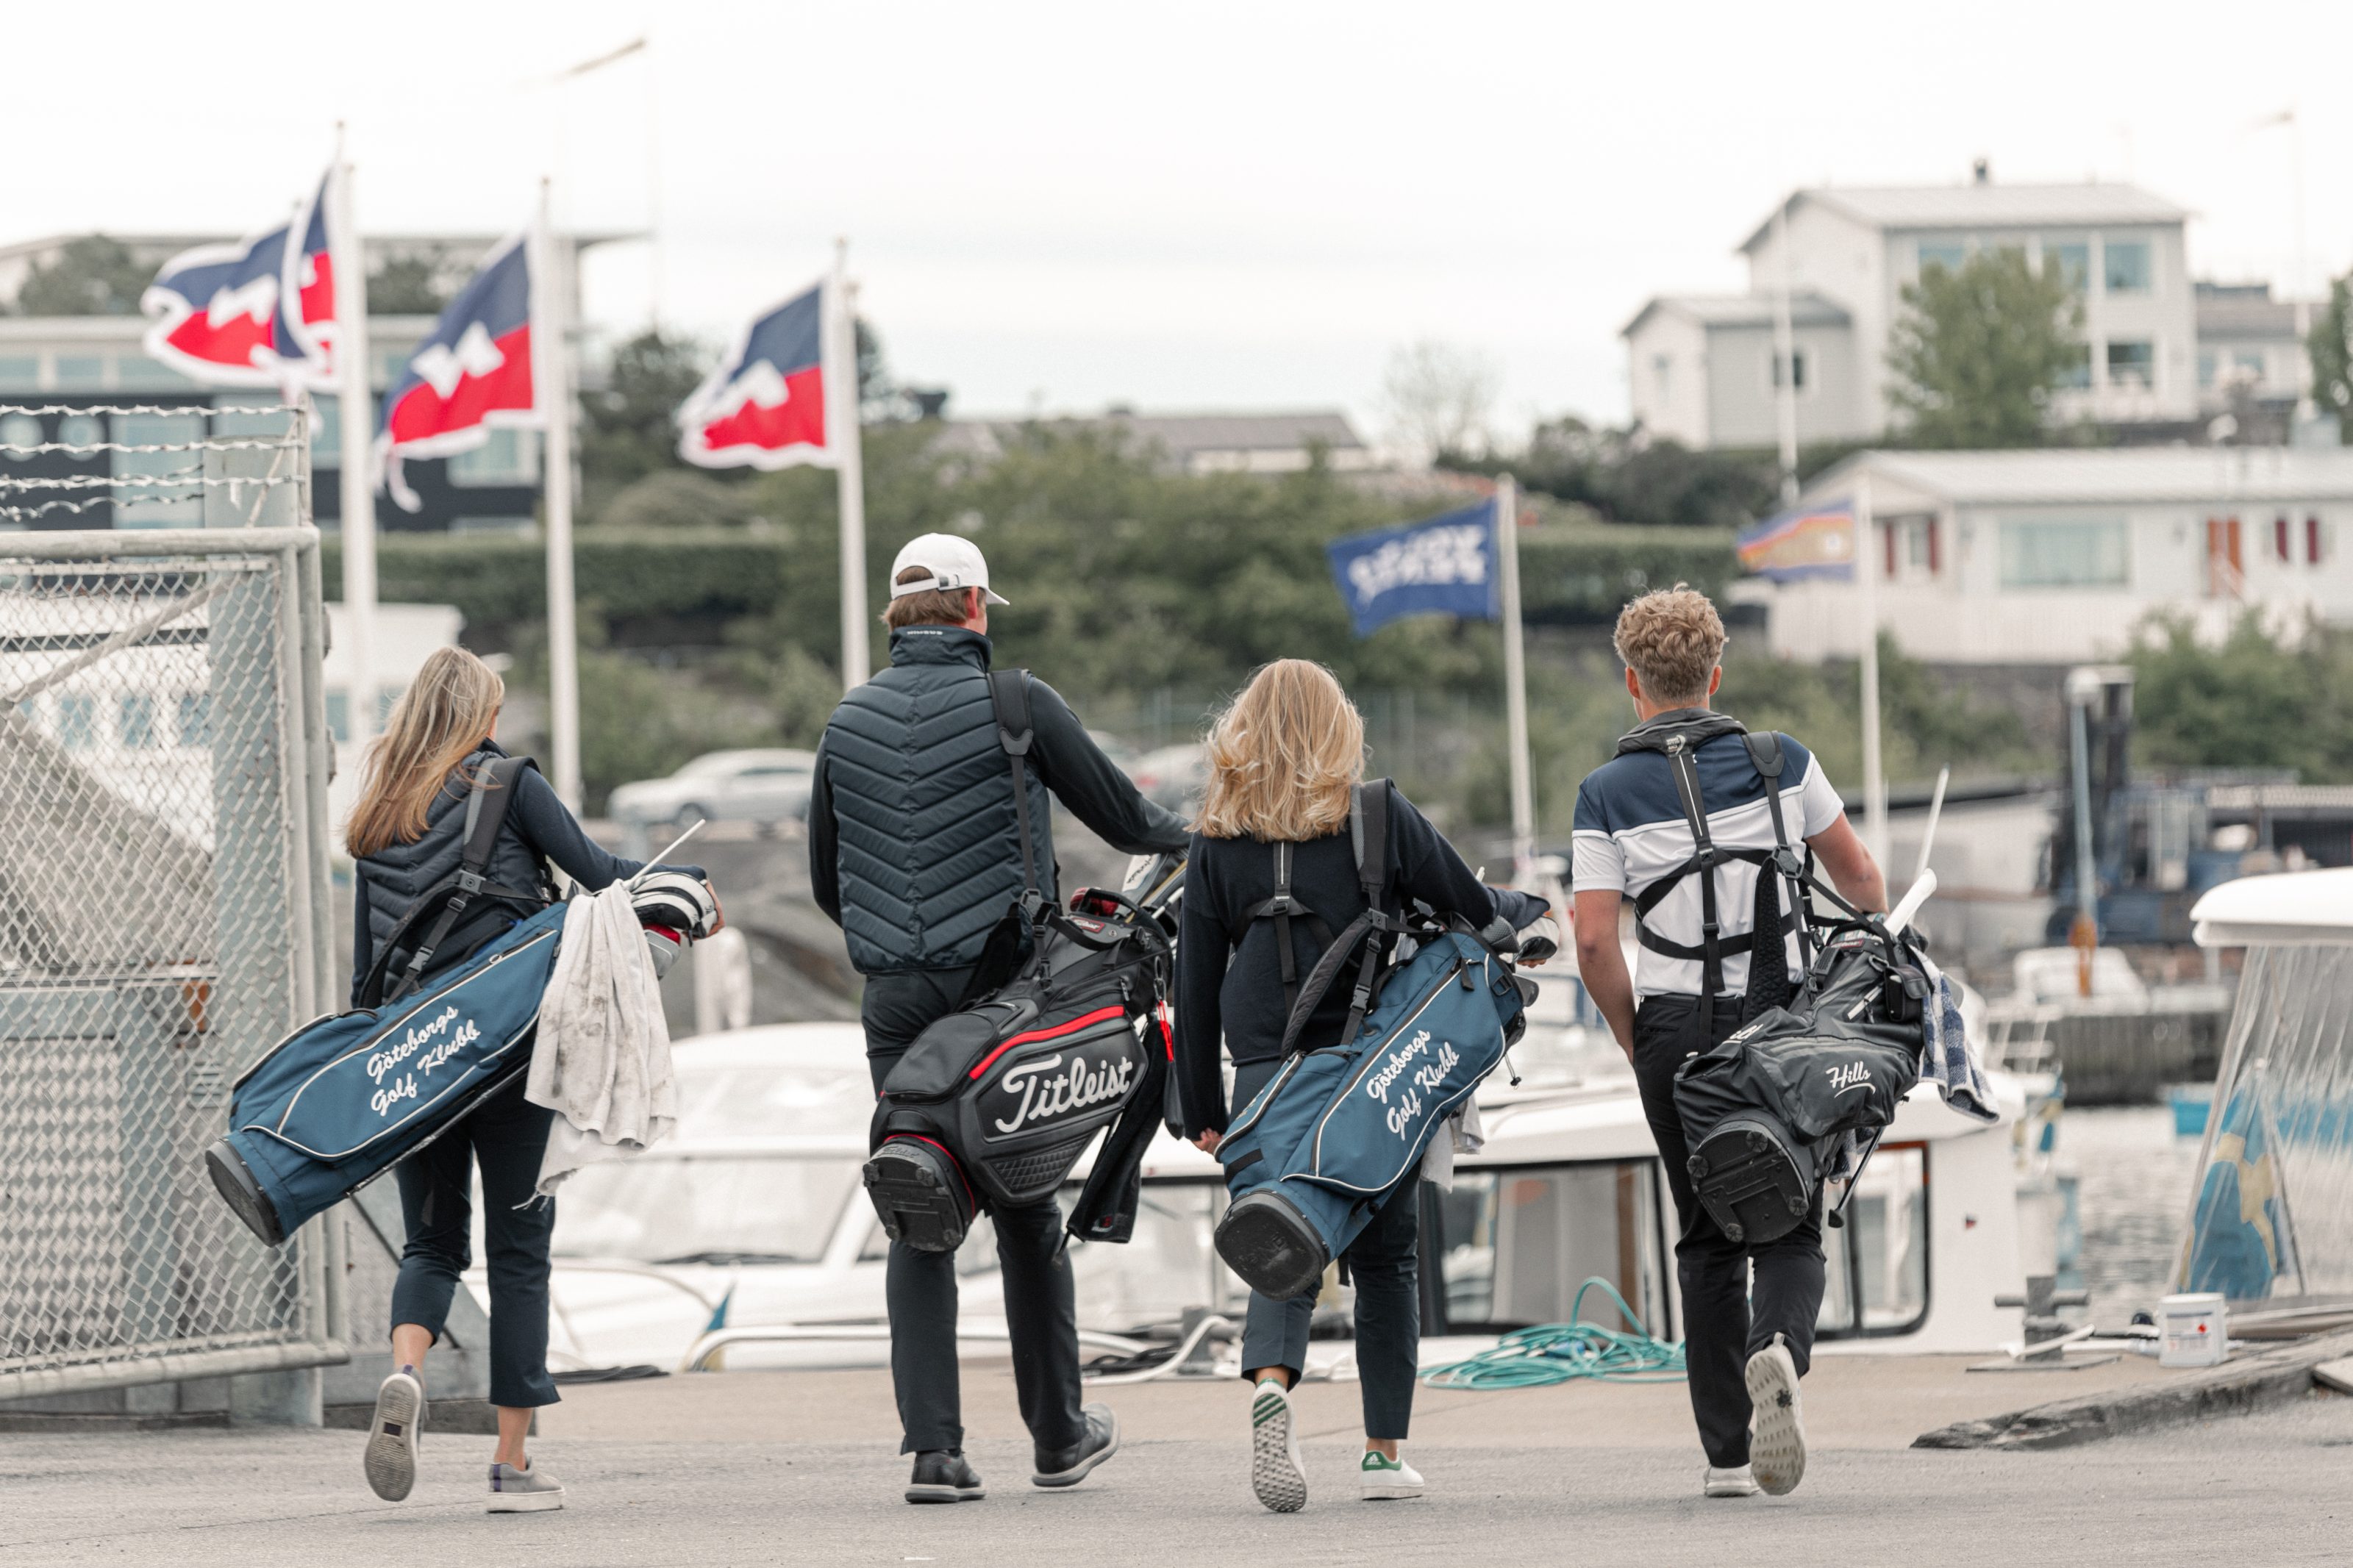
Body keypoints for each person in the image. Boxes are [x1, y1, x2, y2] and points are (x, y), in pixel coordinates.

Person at [807, 532, 1190, 1506]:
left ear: (901, 614)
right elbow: (1131, 824)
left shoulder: (845, 721)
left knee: (917, 1197)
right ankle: (1059, 1435)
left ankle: (936, 1453)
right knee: (1024, 1199)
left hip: (895, 1001)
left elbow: (826, 879)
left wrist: (898, 942)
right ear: (974, 606)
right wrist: (1220, 836)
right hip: (1006, 991)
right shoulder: (1018, 702)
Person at [1173, 659, 1549, 1514]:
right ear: (1337, 727)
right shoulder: (1375, 816)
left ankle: (1272, 1383)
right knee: (1388, 1261)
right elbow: (1467, 903)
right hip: (1370, 1069)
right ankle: (1382, 1455)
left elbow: (1190, 985)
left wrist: (1198, 1105)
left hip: (1264, 1078)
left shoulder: (1214, 840)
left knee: (1277, 1243)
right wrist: (1524, 911)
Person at [348, 646, 709, 1514]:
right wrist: (685, 884)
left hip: (412, 1055)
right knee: (518, 1255)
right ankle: (511, 1466)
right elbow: (600, 876)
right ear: (482, 716)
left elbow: (366, 964)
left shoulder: (377, 808)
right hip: (507, 1057)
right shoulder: (507, 784)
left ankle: (406, 1372)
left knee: (431, 1243)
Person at [1569, 587, 1886, 1500]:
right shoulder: (1779, 759)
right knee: (1793, 1210)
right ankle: (1779, 1347)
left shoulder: (1603, 793)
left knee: (1704, 1231)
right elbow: (1857, 876)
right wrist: (1858, 982)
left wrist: (1637, 1042)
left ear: (1632, 683)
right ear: (1715, 674)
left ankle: (1723, 1457)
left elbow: (1593, 940)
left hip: (1672, 1027)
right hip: (1781, 1018)